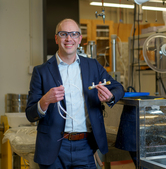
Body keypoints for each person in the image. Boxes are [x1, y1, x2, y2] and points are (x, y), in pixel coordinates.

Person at [25, 18, 125, 169]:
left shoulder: (93, 66)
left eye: (73, 34)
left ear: (79, 39)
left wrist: (110, 97)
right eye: (63, 34)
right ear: (56, 38)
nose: (69, 38)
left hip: (85, 147)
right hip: (53, 148)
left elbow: (118, 87)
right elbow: (30, 114)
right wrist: (45, 101)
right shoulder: (42, 71)